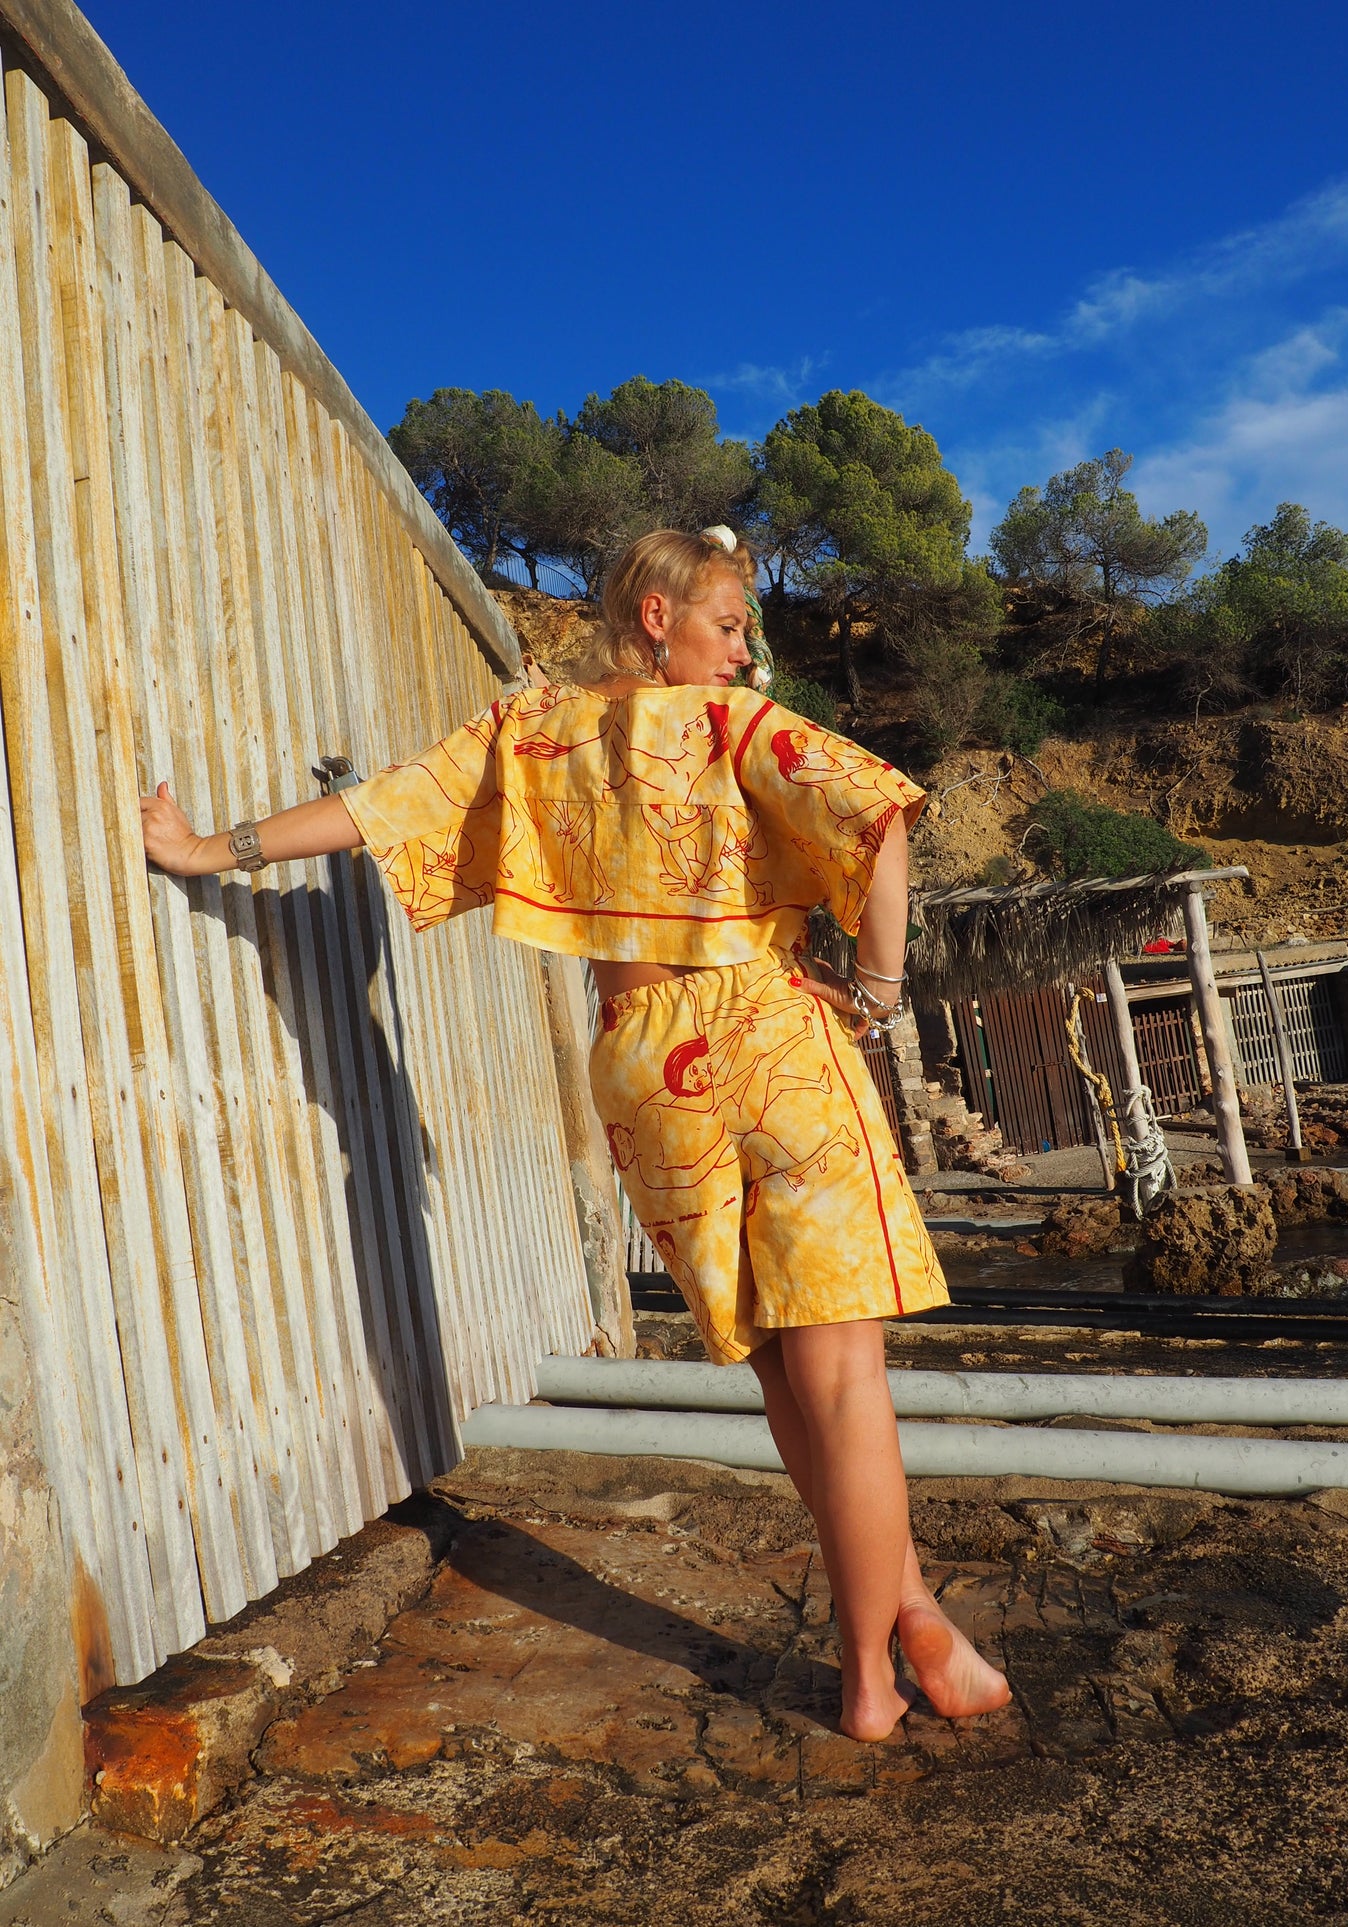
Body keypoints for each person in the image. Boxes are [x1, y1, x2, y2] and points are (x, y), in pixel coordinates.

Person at [140, 528, 1009, 1742]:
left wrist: (204, 850)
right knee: (842, 1371)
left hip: (644, 1065)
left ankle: (909, 1621)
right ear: (655, 617)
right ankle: (870, 1677)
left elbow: (380, 807)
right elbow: (879, 819)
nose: (743, 653)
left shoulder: (528, 732)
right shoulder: (736, 732)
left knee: (776, 1371)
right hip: (765, 1036)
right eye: (725, 625)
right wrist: (872, 991)